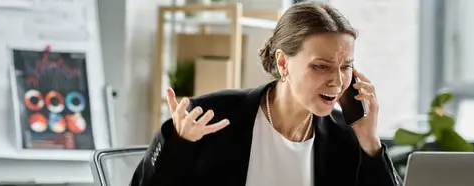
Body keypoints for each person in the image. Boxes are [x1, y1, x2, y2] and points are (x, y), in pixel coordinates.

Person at [131, 1, 402, 186]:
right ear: (283, 63)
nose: (337, 80)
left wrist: (369, 141)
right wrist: (177, 144)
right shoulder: (210, 119)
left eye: (346, 67)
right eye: (322, 66)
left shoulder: (345, 136)